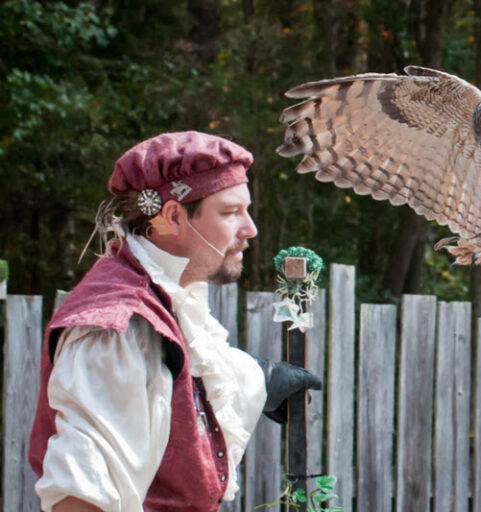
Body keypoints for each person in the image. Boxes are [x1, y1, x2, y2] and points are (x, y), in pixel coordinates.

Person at [28, 131, 321, 512]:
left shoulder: (163, 294)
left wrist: (260, 377)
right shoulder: (117, 328)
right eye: (231, 212)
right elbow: (79, 499)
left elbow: (184, 372)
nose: (250, 229)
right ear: (173, 217)